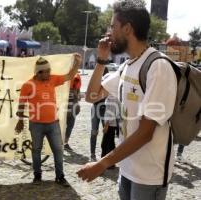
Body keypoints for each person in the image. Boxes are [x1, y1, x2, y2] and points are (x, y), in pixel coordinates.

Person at [77, 1, 177, 199]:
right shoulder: (127, 66)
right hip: (127, 168)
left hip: (149, 176)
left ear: (128, 28)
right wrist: (101, 59)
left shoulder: (158, 67)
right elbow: (92, 96)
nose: (109, 32)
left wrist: (102, 163)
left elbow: (146, 132)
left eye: (113, 26)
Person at [15, 54, 81, 186]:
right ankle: (37, 176)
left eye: (49, 71)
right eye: (47, 71)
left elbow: (69, 76)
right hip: (36, 124)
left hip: (53, 124)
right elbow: (21, 104)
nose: (49, 73)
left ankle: (60, 176)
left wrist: (77, 63)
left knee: (58, 150)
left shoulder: (52, 79)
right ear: (39, 72)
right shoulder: (28, 85)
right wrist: (20, 120)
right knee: (36, 150)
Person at [90, 67, 108, 161]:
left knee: (101, 131)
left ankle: (101, 154)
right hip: (98, 107)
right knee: (95, 131)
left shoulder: (107, 81)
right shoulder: (96, 82)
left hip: (102, 107)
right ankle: (94, 154)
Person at [64, 72, 81, 151]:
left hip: (71, 109)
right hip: (67, 109)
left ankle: (65, 143)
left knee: (69, 126)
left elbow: (78, 96)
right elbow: (78, 97)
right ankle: (64, 143)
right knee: (68, 126)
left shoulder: (76, 78)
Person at [101, 94, 120, 165]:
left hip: (110, 124)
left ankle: (103, 164)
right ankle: (111, 163)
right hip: (113, 123)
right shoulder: (114, 96)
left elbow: (110, 113)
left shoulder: (111, 97)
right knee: (111, 144)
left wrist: (106, 125)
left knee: (104, 144)